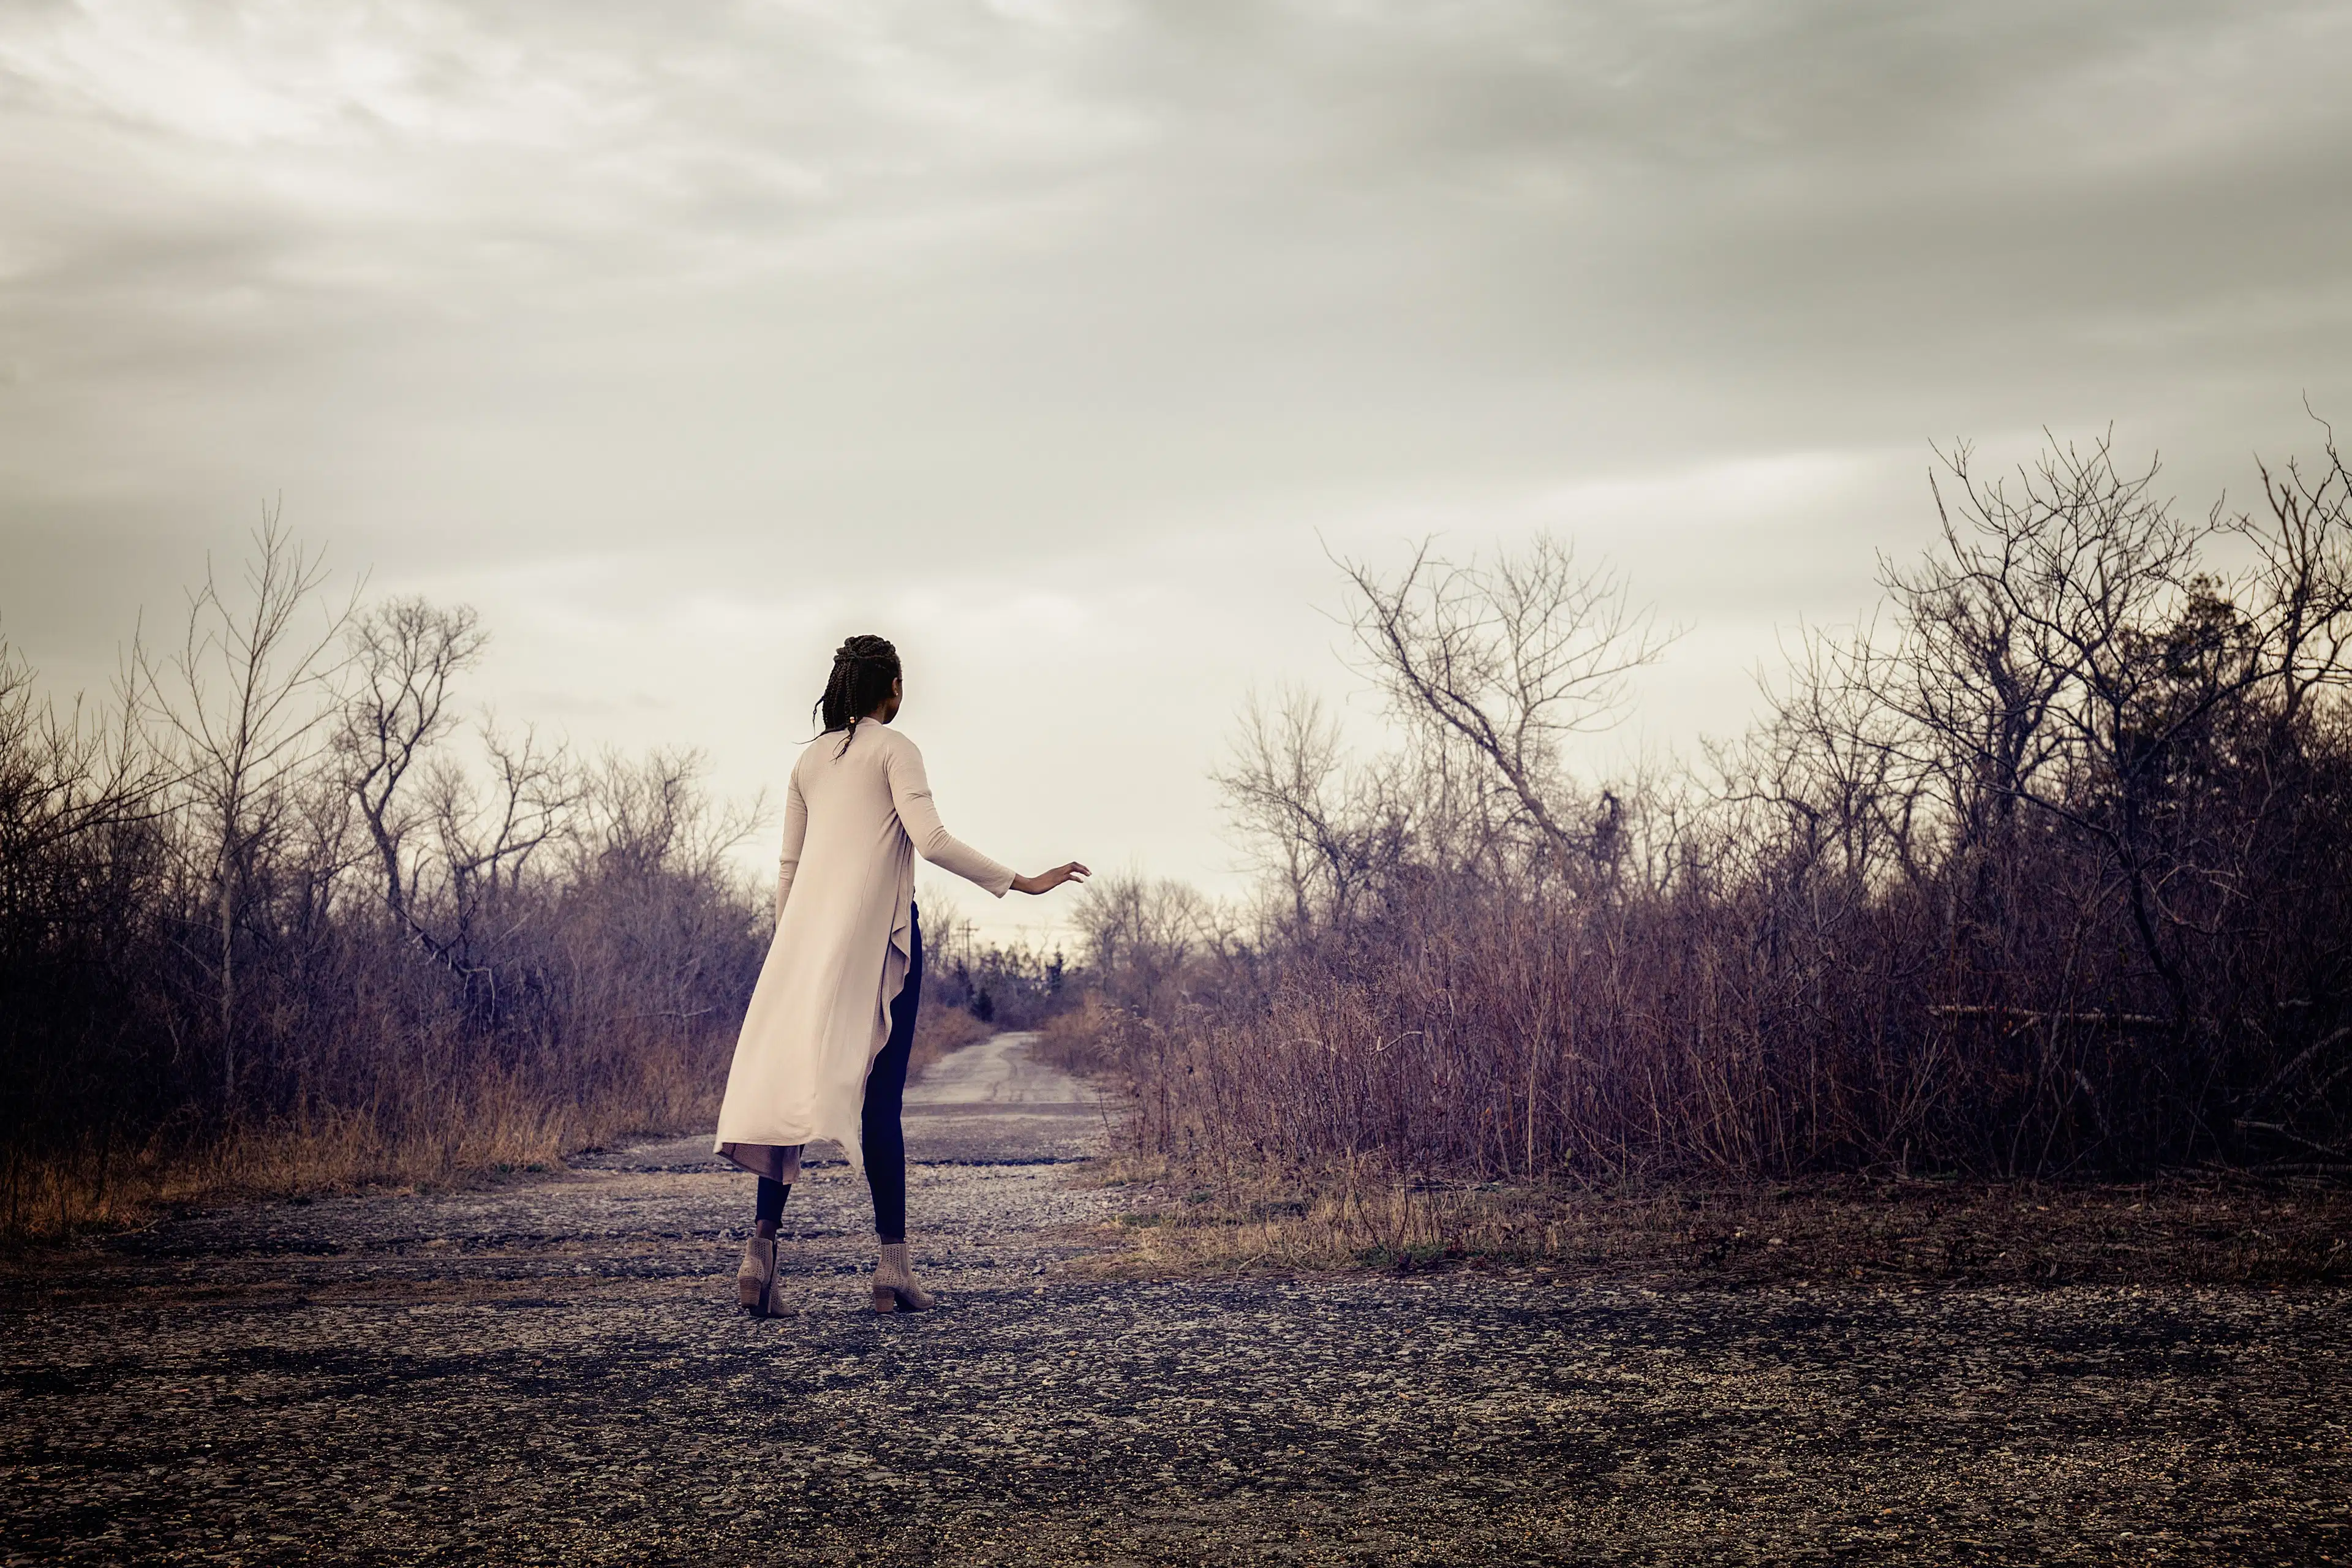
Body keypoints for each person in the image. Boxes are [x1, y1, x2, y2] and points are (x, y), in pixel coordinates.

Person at [715, 635, 1087, 1316]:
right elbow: (932, 838)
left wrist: (789, 947)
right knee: (880, 1099)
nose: (903, 694)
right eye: (901, 682)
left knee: (793, 1083)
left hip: (804, 940)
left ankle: (759, 1255)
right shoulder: (896, 747)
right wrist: (1022, 882)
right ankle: (892, 1270)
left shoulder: (809, 761)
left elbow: (789, 868)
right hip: (875, 938)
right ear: (888, 688)